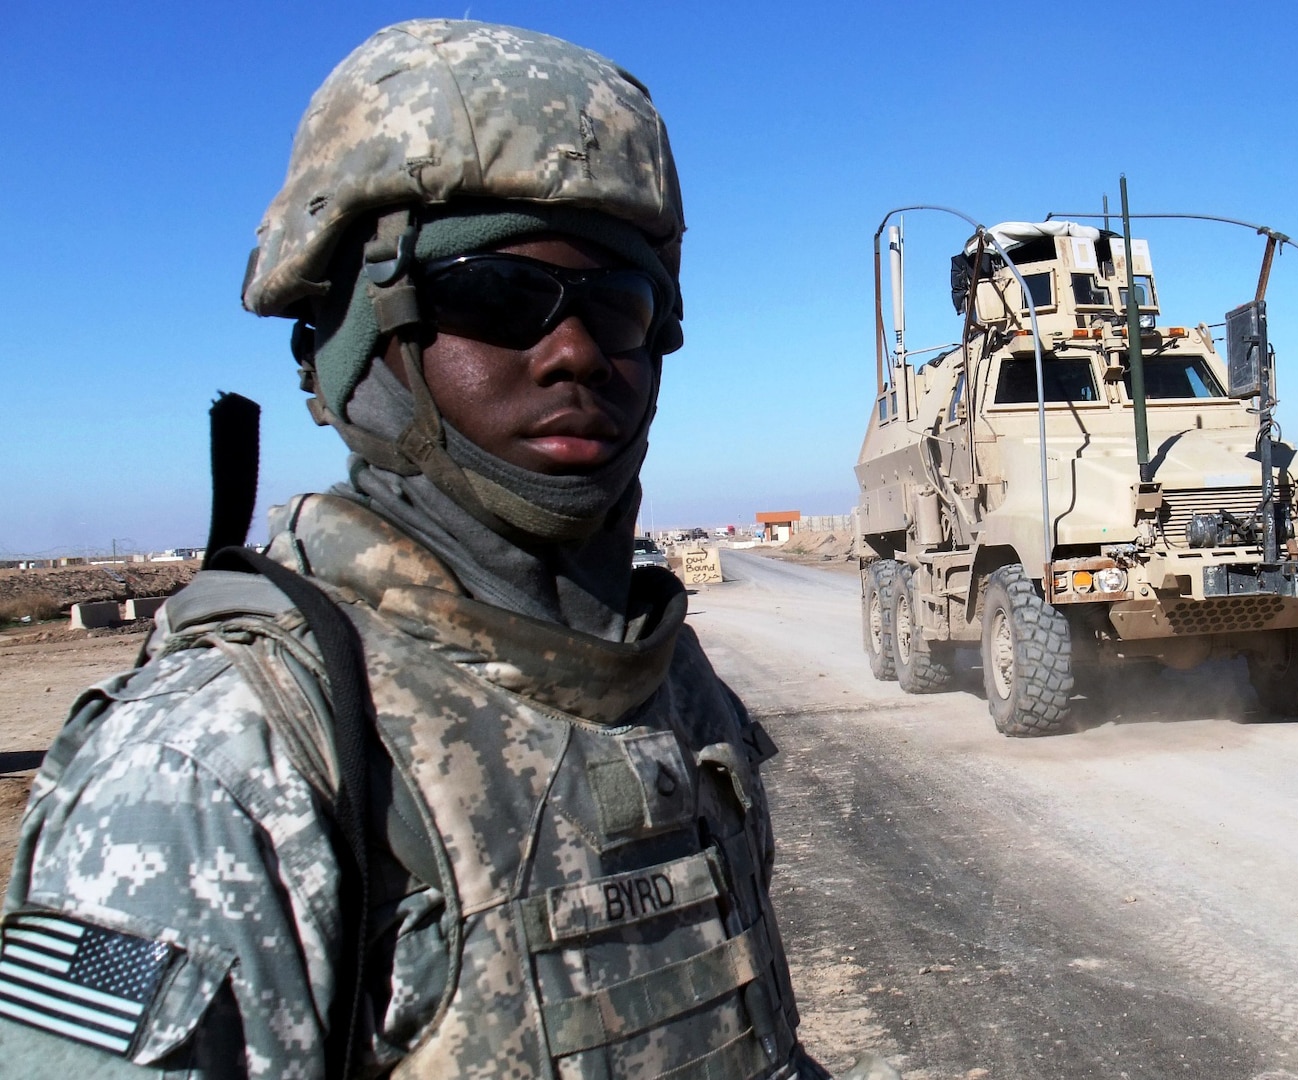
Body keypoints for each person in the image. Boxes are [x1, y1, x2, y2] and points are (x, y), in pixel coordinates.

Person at [0, 20, 897, 1080]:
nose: (573, 354)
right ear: (353, 338)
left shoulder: (660, 671)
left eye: (618, 305)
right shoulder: (216, 761)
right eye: (494, 295)